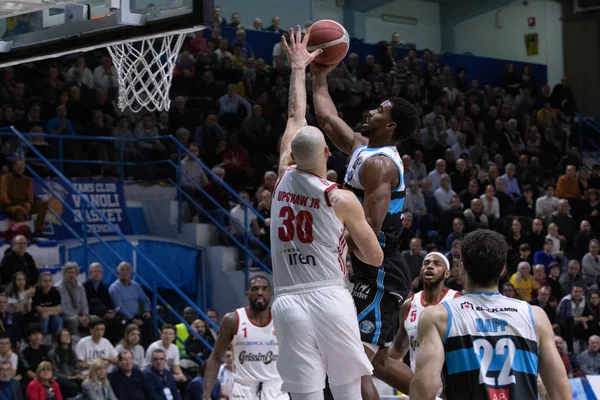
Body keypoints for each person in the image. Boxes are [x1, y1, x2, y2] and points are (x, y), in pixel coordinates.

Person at [269, 26, 384, 400]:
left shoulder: (281, 180)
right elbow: (375, 256)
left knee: (304, 394)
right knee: (349, 388)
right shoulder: (340, 198)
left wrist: (297, 67)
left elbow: (293, 117)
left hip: (287, 300)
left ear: (292, 156)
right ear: (326, 155)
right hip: (329, 295)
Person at [312, 25, 419, 397]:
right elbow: (326, 119)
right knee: (367, 363)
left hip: (378, 268)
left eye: (379, 110)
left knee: (356, 363)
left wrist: (329, 246)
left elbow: (368, 232)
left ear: (389, 127)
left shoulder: (380, 167)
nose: (371, 110)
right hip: (364, 264)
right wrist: (318, 74)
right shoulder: (362, 148)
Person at [409, 229, 572, 399]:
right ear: (503, 269)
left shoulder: (437, 316)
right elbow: (561, 396)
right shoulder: (535, 316)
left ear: (461, 266)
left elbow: (424, 390)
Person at [203, 275, 286, 400]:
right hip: (243, 389)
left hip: (275, 388)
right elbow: (215, 357)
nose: (260, 292)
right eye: (255, 289)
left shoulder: (281, 319)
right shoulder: (232, 320)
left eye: (264, 289)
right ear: (247, 293)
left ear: (271, 293)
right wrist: (206, 395)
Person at [389, 252, 459, 377]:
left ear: (447, 273)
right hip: (420, 386)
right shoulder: (409, 305)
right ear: (421, 271)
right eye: (426, 263)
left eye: (437, 264)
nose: (430, 266)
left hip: (452, 385)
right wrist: (372, 363)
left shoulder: (457, 300)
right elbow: (399, 349)